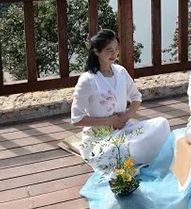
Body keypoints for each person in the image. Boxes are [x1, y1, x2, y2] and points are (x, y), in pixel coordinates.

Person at [71, 29, 170, 178]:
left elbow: (136, 97)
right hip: (101, 136)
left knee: (162, 124)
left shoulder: (121, 72)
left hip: (126, 128)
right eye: (109, 50)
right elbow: (76, 119)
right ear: (96, 51)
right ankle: (136, 154)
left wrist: (127, 115)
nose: (114, 54)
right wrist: (110, 121)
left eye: (116, 49)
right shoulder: (88, 80)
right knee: (117, 151)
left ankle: (135, 154)